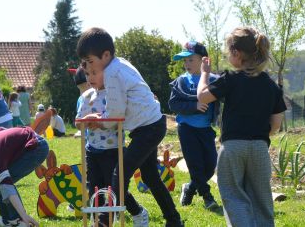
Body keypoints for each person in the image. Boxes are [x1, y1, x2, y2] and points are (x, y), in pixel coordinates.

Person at [77, 27, 183, 227]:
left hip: (149, 128)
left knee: (120, 172)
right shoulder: (119, 64)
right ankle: (173, 219)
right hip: (150, 125)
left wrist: (97, 119)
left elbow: (116, 114)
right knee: (150, 176)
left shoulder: (112, 74)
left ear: (105, 55)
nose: (90, 67)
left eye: (91, 62)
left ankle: (104, 221)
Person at [196, 27, 286, 227]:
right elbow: (276, 125)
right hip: (260, 148)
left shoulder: (231, 79)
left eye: (228, 52)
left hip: (233, 147)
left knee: (234, 196)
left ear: (236, 53)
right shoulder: (272, 86)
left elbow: (202, 97)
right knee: (262, 201)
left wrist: (204, 74)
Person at [169, 41, 220, 210]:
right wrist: (194, 107)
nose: (187, 64)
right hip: (186, 128)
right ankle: (207, 197)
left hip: (206, 130)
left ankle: (189, 187)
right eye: (185, 61)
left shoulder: (214, 80)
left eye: (191, 60)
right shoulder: (181, 81)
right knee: (196, 164)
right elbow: (174, 104)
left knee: (210, 166)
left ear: (204, 60)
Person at [77, 66, 123, 225]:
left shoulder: (114, 95)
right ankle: (95, 217)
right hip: (92, 149)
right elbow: (78, 122)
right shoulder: (86, 96)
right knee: (94, 185)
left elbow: (120, 119)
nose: (90, 77)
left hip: (112, 150)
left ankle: (111, 215)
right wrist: (87, 119)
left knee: (113, 185)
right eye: (88, 74)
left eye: (94, 73)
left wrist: (103, 121)